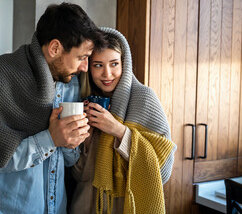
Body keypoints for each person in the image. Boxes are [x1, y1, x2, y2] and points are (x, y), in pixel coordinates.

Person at [0, 2, 106, 213]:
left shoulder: (70, 84)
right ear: (54, 48)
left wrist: (72, 141)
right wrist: (49, 140)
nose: (85, 67)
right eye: (81, 58)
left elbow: (68, 160)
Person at [69, 27, 177, 214]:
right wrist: (86, 138)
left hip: (125, 207)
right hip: (84, 206)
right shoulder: (82, 102)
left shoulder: (144, 98)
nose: (107, 74)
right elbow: (78, 175)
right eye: (98, 65)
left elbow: (163, 169)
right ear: (87, 67)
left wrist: (119, 131)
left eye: (114, 64)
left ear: (124, 65)